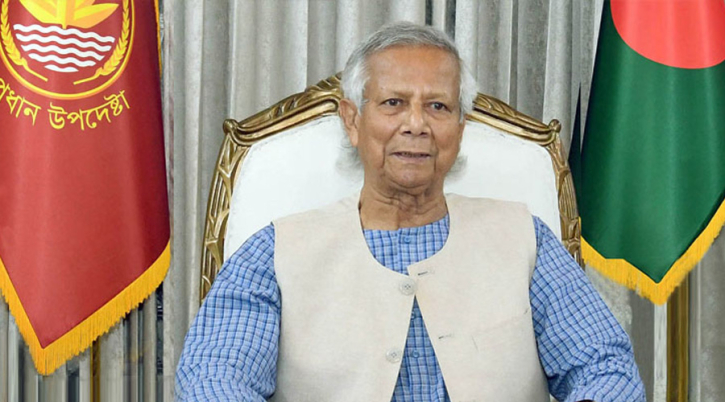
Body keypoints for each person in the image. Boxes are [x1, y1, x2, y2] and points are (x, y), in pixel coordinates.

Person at [175, 22, 645, 402]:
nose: (416, 125)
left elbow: (604, 366)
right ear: (353, 120)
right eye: (393, 103)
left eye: (438, 106)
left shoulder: (524, 238)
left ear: (460, 127)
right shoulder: (275, 251)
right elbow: (215, 377)